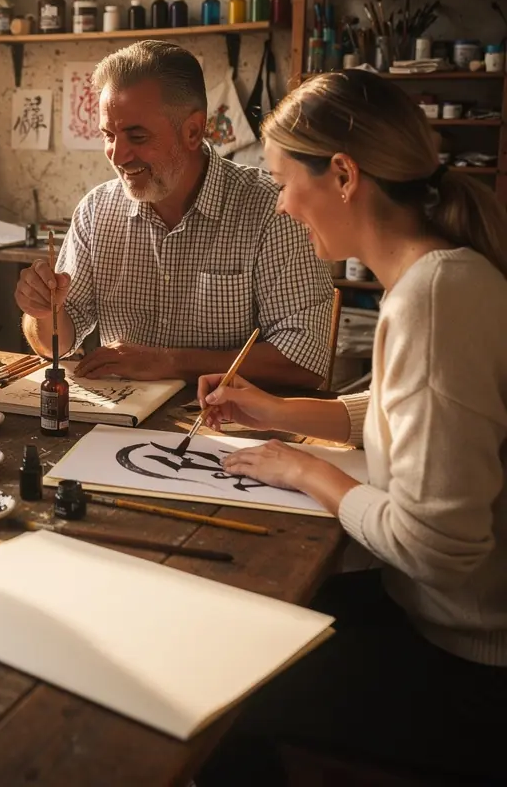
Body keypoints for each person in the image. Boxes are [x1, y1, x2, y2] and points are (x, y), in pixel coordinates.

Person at [195, 70, 507, 785]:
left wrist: (304, 469)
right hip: (433, 621)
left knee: (216, 688)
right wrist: (276, 412)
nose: (279, 207)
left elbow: (438, 547)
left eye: (281, 181)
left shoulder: (436, 298)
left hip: (465, 667)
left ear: (341, 174)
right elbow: (410, 411)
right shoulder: (438, 277)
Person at [15, 41, 333, 387]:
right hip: (120, 423)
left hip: (232, 426)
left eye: (137, 135)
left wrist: (170, 362)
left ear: (193, 131)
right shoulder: (97, 211)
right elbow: (55, 344)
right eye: (109, 135)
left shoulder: (271, 209)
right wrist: (43, 313)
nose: (118, 155)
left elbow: (306, 359)